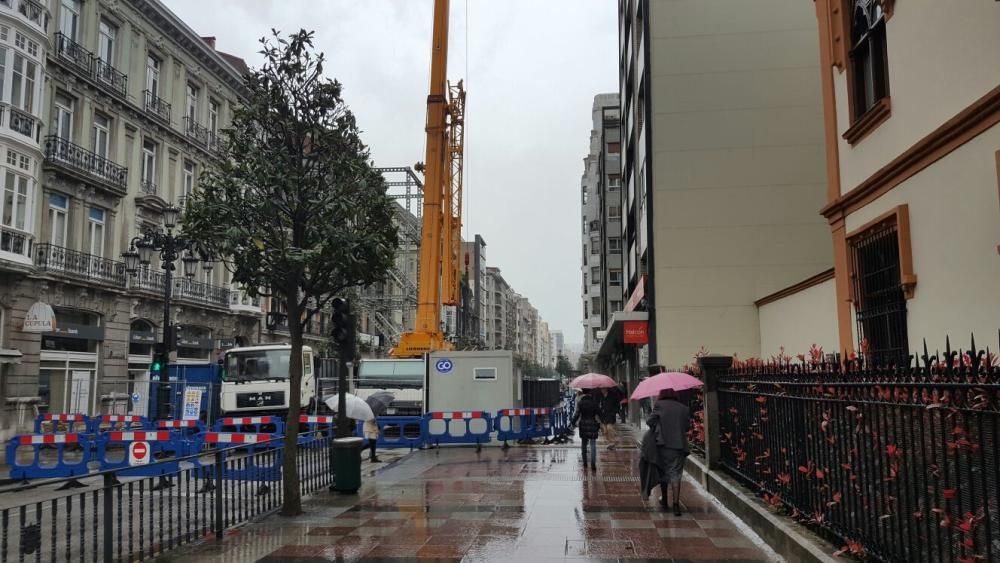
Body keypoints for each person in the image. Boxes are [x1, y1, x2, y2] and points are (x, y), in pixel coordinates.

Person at [646, 388, 690, 515]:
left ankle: (664, 499)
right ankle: (676, 504)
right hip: (678, 446)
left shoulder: (659, 405)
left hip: (662, 445)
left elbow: (650, 421)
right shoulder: (683, 408)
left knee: (663, 472)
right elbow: (687, 427)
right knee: (676, 474)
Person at [571, 389, 601, 471]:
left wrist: (572, 423)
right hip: (593, 424)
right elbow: (599, 413)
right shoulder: (594, 403)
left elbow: (577, 414)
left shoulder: (580, 403)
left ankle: (585, 462)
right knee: (593, 444)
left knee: (584, 444)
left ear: (583, 393)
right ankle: (593, 463)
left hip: (583, 424)